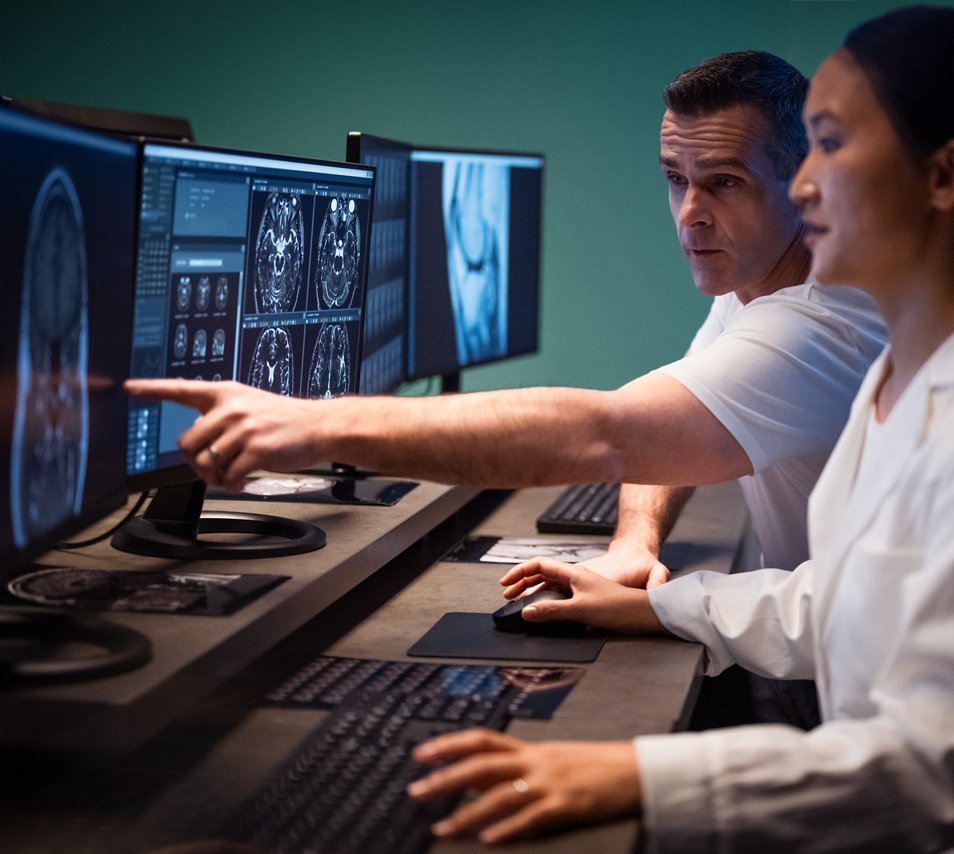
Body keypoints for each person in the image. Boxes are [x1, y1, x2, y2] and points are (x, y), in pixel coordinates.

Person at [402, 7, 954, 852]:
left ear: (945, 176)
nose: (803, 183)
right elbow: (847, 599)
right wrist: (659, 605)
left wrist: (634, 775)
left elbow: (933, 771)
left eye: (832, 146)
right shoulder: (913, 373)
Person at [127, 51, 885, 728]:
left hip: (856, 693)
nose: (690, 214)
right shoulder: (758, 285)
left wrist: (315, 425)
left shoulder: (818, 323)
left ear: (804, 185)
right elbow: (668, 417)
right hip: (819, 651)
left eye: (724, 183)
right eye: (675, 180)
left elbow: (609, 433)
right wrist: (634, 543)